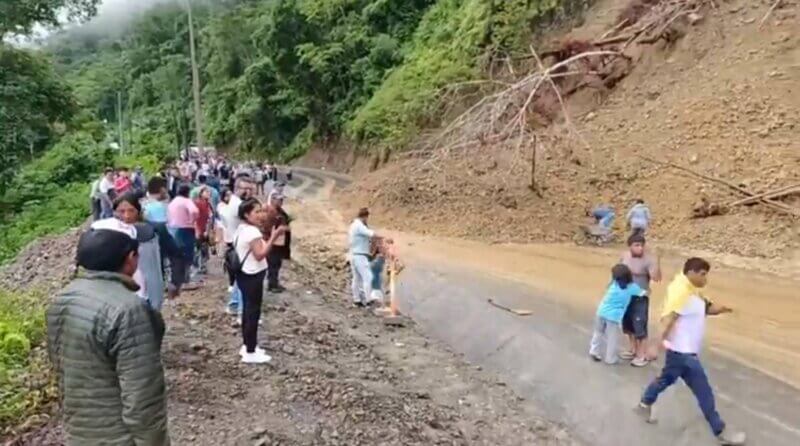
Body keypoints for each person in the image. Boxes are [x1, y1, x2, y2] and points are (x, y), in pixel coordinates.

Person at [46, 226, 170, 445]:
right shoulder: (129, 309)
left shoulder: (64, 298)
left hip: (79, 430)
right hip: (118, 435)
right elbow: (141, 393)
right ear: (131, 258)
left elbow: (60, 366)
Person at [636, 258, 745, 446]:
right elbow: (668, 320)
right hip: (684, 354)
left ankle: (644, 403)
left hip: (680, 354)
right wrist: (655, 345)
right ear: (691, 272)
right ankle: (720, 431)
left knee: (666, 379)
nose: (705, 279)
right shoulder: (681, 293)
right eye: (703, 274)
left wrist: (725, 309)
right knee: (704, 392)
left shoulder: (691, 291)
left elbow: (706, 308)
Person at [235, 198, 286, 364]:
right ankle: (250, 351)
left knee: (247, 311)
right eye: (256, 212)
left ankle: (248, 345)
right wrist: (274, 237)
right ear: (246, 214)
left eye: (260, 211)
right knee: (253, 312)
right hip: (252, 274)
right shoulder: (252, 232)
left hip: (243, 274)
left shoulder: (242, 229)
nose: (260, 215)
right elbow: (260, 254)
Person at [589, 264, 644, 364]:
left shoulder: (614, 284)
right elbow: (642, 293)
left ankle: (594, 351)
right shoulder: (632, 288)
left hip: (601, 311)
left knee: (598, 332)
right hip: (613, 317)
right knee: (612, 338)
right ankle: (610, 358)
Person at [621, 233, 662, 367]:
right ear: (630, 246)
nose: (640, 248)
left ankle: (642, 355)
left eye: (642, 245)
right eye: (636, 245)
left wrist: (657, 261)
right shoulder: (625, 257)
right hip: (626, 296)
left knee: (640, 327)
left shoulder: (648, 260)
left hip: (640, 298)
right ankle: (632, 349)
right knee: (628, 325)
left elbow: (656, 278)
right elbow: (619, 272)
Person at [222, 175, 257, 314]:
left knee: (240, 278)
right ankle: (243, 311)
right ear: (236, 188)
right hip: (240, 246)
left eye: (250, 189)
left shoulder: (234, 201)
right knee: (246, 279)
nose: (248, 192)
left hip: (234, 244)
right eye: (245, 189)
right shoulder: (238, 205)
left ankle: (234, 304)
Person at [167, 184, 199, 288]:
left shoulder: (172, 202)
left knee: (176, 255)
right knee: (187, 254)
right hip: (186, 228)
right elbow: (194, 211)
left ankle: (176, 279)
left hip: (173, 229)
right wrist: (192, 220)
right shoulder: (187, 201)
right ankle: (186, 279)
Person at [349, 207, 380, 307]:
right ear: (365, 217)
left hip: (353, 254)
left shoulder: (353, 225)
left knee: (356, 278)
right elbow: (372, 234)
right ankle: (368, 300)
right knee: (367, 277)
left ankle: (356, 300)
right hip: (360, 255)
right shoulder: (359, 225)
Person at [263, 190, 291, 293]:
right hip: (274, 241)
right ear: (273, 200)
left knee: (276, 263)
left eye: (282, 200)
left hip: (278, 241)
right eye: (279, 200)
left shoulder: (278, 211)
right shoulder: (271, 212)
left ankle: (274, 282)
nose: (281, 201)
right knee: (273, 264)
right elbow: (267, 227)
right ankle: (272, 284)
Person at [193, 186, 213, 275]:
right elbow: (195, 218)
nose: (208, 193)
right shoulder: (198, 203)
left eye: (209, 192)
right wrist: (197, 229)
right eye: (206, 192)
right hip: (199, 228)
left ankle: (202, 266)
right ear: (201, 193)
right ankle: (199, 266)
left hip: (205, 228)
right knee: (199, 248)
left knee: (204, 248)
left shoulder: (207, 204)